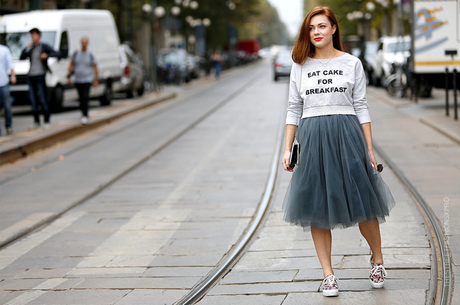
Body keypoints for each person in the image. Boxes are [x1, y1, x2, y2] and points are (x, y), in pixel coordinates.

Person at [282, 7, 395, 297]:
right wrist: (287, 148)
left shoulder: (351, 63)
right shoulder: (300, 65)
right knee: (316, 206)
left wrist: (369, 147)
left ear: (334, 28)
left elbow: (361, 105)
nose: (316, 32)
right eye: (311, 28)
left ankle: (378, 260)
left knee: (364, 201)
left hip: (347, 136)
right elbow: (294, 108)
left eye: (322, 26)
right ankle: (328, 274)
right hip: (313, 138)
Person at [20, 28, 60, 128]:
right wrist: (25, 48)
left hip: (40, 76)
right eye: (31, 35)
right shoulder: (31, 48)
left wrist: (46, 55)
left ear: (39, 35)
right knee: (33, 100)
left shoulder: (44, 46)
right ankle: (36, 121)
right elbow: (22, 57)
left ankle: (46, 120)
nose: (32, 37)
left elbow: (58, 53)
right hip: (31, 76)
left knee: (43, 98)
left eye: (34, 35)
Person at [67, 37, 98, 125]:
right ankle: (83, 114)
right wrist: (69, 76)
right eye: (82, 42)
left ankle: (85, 115)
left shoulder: (90, 54)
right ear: (81, 43)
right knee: (81, 98)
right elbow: (71, 64)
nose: (84, 44)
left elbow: (95, 67)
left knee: (85, 96)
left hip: (88, 79)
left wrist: (96, 79)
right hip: (78, 79)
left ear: (87, 43)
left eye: (85, 43)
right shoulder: (76, 53)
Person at [0, 43, 16, 136]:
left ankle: (8, 125)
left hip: (4, 82)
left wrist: (13, 75)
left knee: (7, 106)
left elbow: (10, 63)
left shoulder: (4, 50)